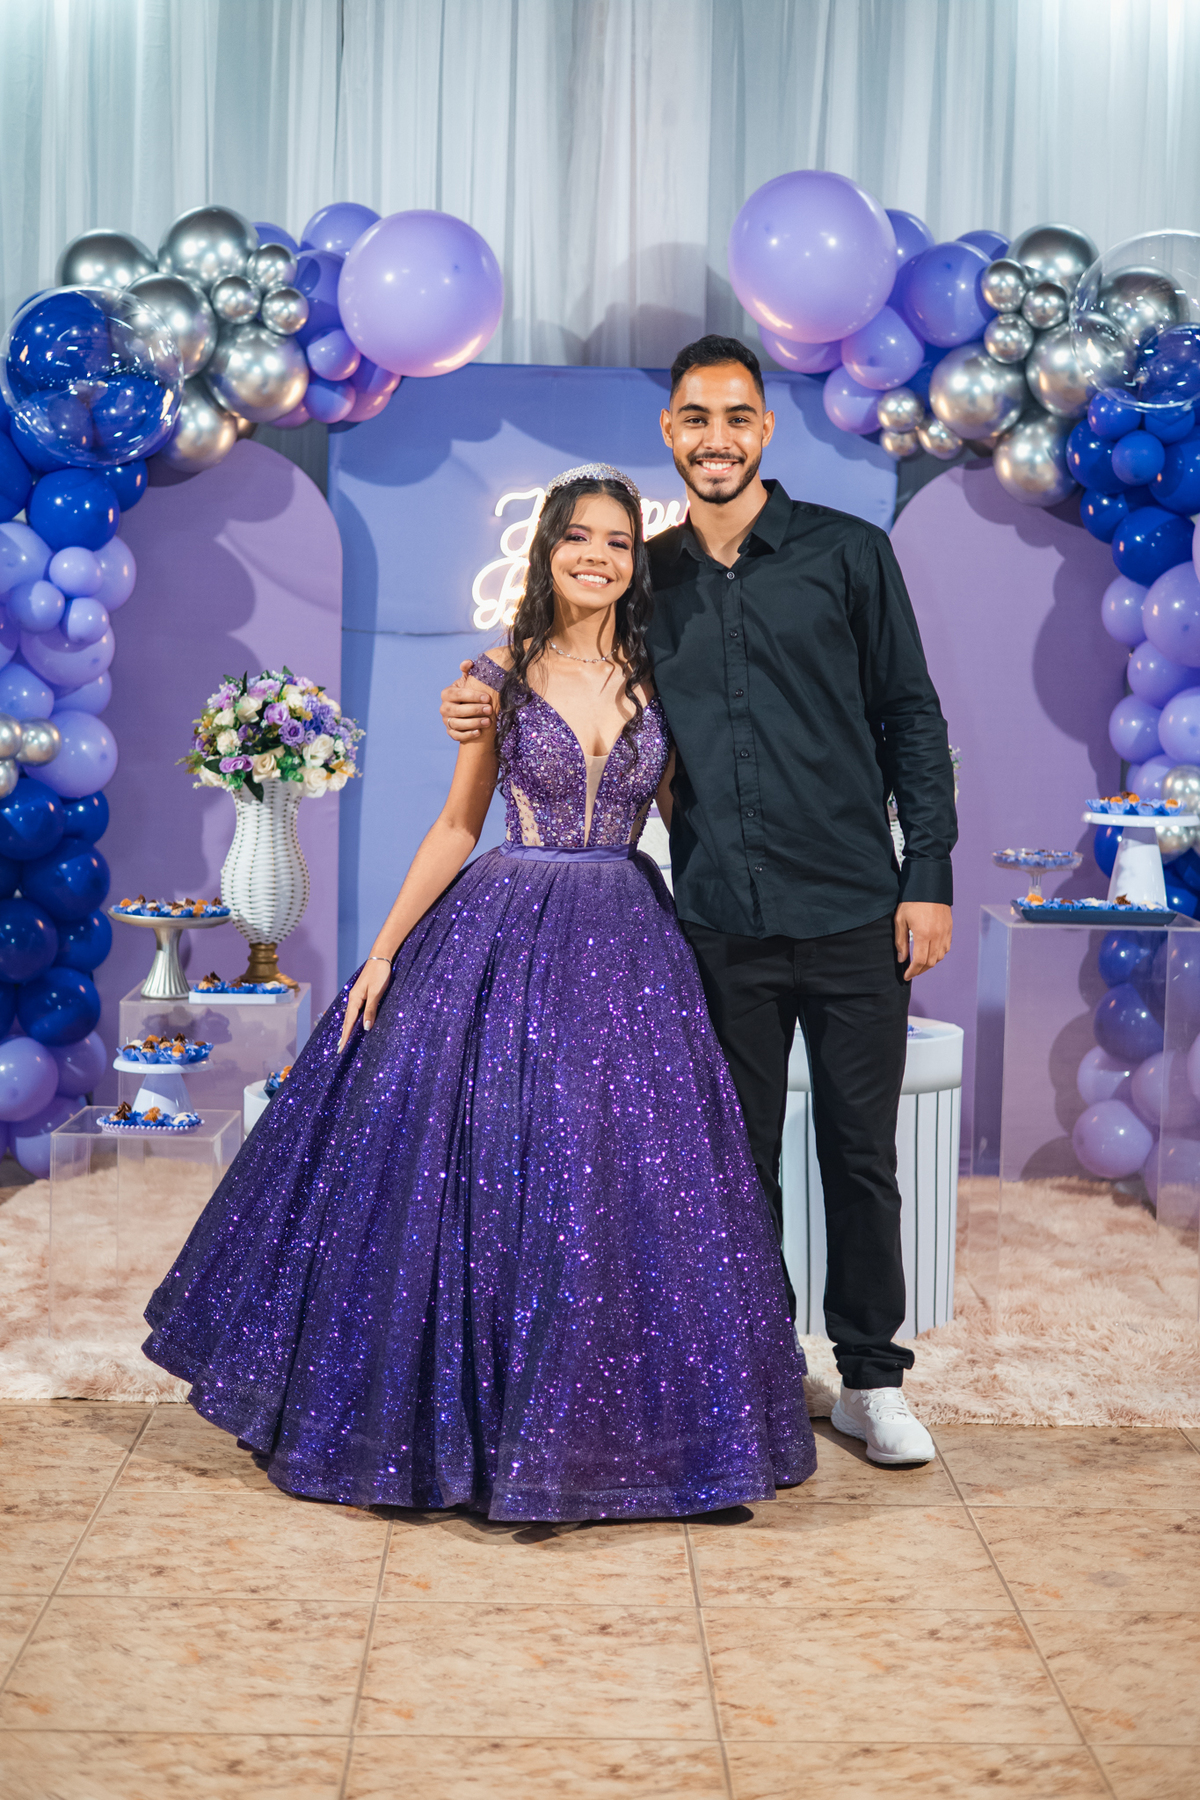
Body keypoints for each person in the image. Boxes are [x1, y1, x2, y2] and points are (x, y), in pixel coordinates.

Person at [143, 462, 816, 1517]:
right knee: (500, 1161)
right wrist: (383, 953)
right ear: (548, 549)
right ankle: (484, 1433)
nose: (598, 555)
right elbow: (459, 825)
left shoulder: (664, 673)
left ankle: (621, 1439)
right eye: (578, 536)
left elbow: (694, 819)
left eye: (619, 542)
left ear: (636, 563)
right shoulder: (495, 675)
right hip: (508, 926)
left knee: (624, 1179)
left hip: (627, 938)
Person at [441, 338, 957, 1466]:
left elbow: (912, 719)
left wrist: (929, 877)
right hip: (716, 921)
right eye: (693, 418)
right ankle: (762, 1369)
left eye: (735, 417)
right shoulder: (649, 576)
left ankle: (872, 1379)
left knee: (861, 1156)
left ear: (764, 429)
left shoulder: (849, 554)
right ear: (670, 433)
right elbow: (559, 658)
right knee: (730, 1165)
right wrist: (475, 694)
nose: (715, 438)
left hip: (856, 908)